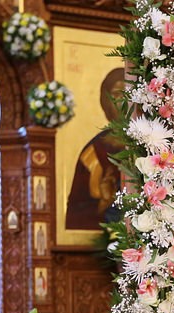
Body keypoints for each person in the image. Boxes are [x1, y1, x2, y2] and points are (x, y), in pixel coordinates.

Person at [65, 68, 126, 229]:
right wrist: (104, 203)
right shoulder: (94, 154)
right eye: (116, 94)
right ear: (106, 102)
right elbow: (74, 217)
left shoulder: (151, 145)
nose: (123, 101)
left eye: (127, 94)